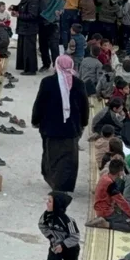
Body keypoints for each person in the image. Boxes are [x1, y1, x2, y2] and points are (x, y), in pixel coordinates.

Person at [32, 55, 90, 193]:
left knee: (51, 155)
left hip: (50, 128)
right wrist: (83, 122)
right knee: (69, 158)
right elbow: (84, 106)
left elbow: (40, 103)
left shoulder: (47, 82)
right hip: (71, 129)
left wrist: (36, 120)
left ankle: (53, 180)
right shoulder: (78, 83)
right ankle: (66, 184)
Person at [40, 191, 83, 260]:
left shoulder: (68, 221)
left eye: (50, 201)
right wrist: (52, 238)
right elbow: (42, 226)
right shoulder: (46, 216)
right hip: (55, 247)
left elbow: (75, 237)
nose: (47, 203)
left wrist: (63, 245)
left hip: (70, 248)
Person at [90, 159, 130, 232]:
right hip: (106, 212)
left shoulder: (105, 176)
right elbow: (122, 202)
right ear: (120, 172)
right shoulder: (111, 184)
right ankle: (106, 224)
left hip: (102, 207)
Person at [14, 0, 42, 75]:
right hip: (23, 28)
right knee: (23, 49)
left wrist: (19, 15)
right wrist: (14, 8)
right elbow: (21, 7)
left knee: (29, 50)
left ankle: (31, 69)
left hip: (30, 29)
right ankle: (24, 67)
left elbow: (33, 15)